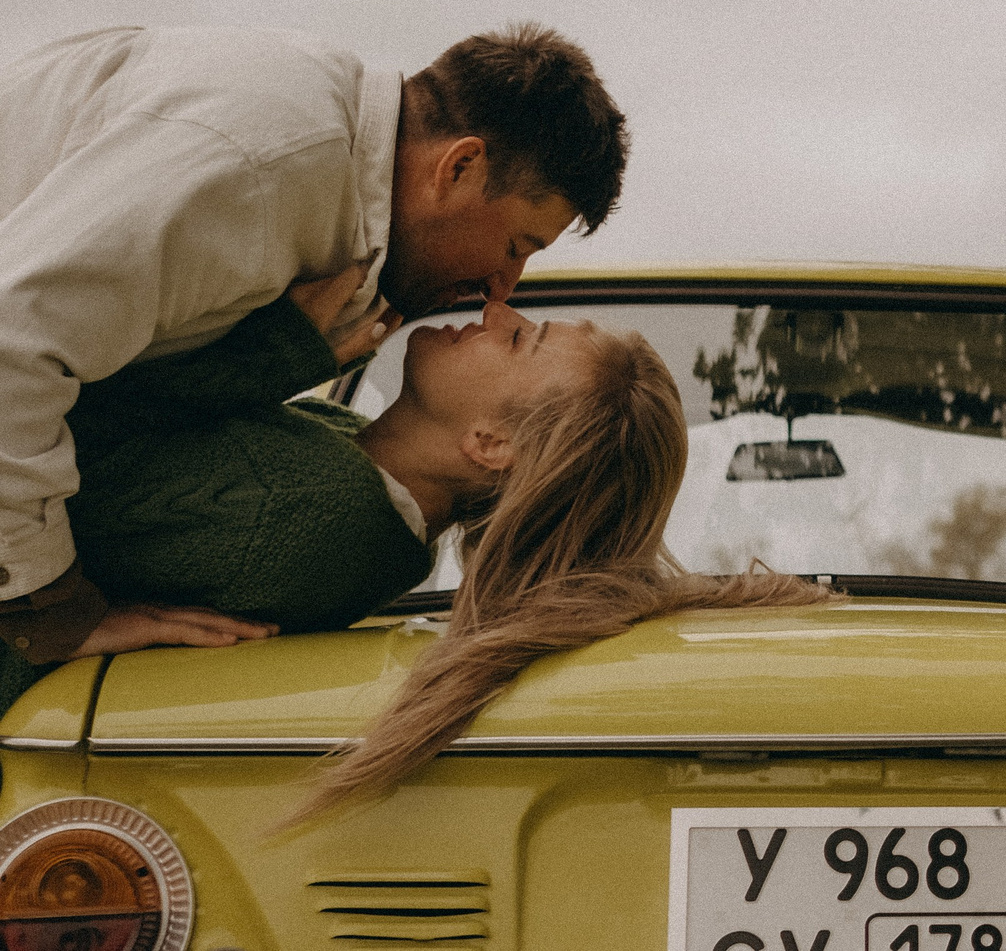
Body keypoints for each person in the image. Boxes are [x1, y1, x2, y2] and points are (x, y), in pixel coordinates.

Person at [0, 266, 826, 822]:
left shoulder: (307, 510)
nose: (497, 310)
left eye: (518, 340)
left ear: (490, 444)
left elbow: (35, 429)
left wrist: (279, 345)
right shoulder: (360, 495)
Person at [0, 22, 629, 667]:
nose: (504, 289)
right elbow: (12, 345)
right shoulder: (259, 166)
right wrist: (44, 609)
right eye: (516, 245)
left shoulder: (304, 124)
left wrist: (277, 354)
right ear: (460, 167)